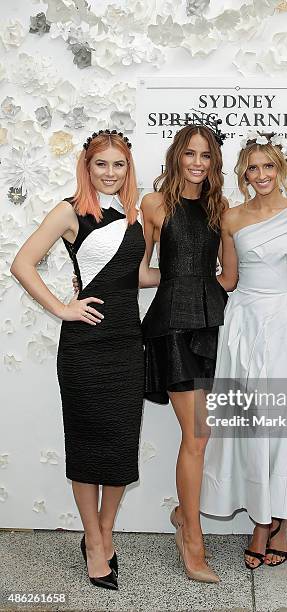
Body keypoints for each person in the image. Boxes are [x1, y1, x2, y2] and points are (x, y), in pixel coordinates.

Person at [11, 130, 159, 590]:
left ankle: (106, 530)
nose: (110, 173)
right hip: (83, 348)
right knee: (86, 445)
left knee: (119, 447)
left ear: (127, 169)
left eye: (119, 165)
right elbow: (22, 263)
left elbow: (136, 276)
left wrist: (196, 274)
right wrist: (62, 307)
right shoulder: (70, 211)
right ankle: (93, 541)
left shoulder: (135, 215)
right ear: (87, 167)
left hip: (125, 345)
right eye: (102, 165)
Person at [200, 131, 287, 570]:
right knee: (249, 423)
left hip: (282, 322)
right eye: (252, 168)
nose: (261, 175)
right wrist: (177, 286)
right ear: (243, 175)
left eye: (267, 166)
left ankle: (271, 525)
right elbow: (228, 278)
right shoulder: (231, 216)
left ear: (280, 168)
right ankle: (265, 518)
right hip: (242, 323)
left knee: (281, 421)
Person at [140, 123, 227, 583]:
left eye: (205, 155)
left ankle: (182, 515)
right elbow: (138, 270)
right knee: (196, 436)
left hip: (213, 324)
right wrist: (177, 279)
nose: (197, 162)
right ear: (176, 157)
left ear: (213, 163)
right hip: (173, 325)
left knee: (202, 435)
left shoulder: (219, 208)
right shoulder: (154, 205)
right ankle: (191, 538)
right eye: (189, 154)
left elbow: (229, 276)